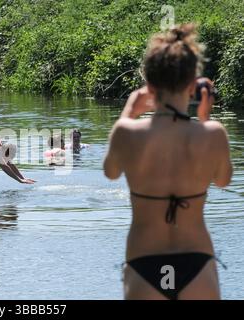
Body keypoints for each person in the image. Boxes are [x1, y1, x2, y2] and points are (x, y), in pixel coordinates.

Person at [103, 24, 232, 300]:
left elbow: (110, 172)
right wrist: (206, 120)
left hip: (144, 260)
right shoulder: (214, 134)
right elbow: (223, 180)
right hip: (197, 260)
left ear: (148, 86)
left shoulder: (126, 132)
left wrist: (128, 112)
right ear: (191, 86)